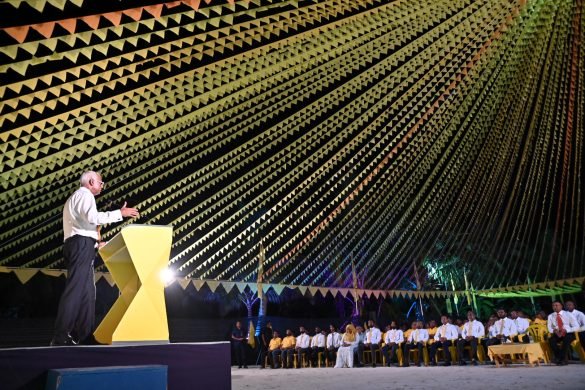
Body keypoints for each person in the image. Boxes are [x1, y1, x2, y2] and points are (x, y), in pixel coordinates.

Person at [51, 171, 139, 346]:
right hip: (80, 245)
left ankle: (84, 335)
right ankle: (60, 336)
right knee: (76, 290)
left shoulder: (76, 198)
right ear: (91, 181)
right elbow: (92, 218)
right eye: (101, 182)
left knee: (87, 293)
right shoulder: (84, 195)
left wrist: (96, 243)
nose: (102, 186)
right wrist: (120, 213)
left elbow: (82, 224)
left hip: (81, 244)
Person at [548, 301, 579, 365]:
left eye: (557, 305)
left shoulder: (568, 314)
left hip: (568, 333)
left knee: (566, 340)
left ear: (561, 306)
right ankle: (560, 358)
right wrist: (554, 331)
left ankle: (561, 360)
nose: (555, 307)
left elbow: (576, 326)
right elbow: (549, 327)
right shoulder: (550, 316)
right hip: (558, 333)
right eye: (553, 306)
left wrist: (566, 330)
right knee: (551, 340)